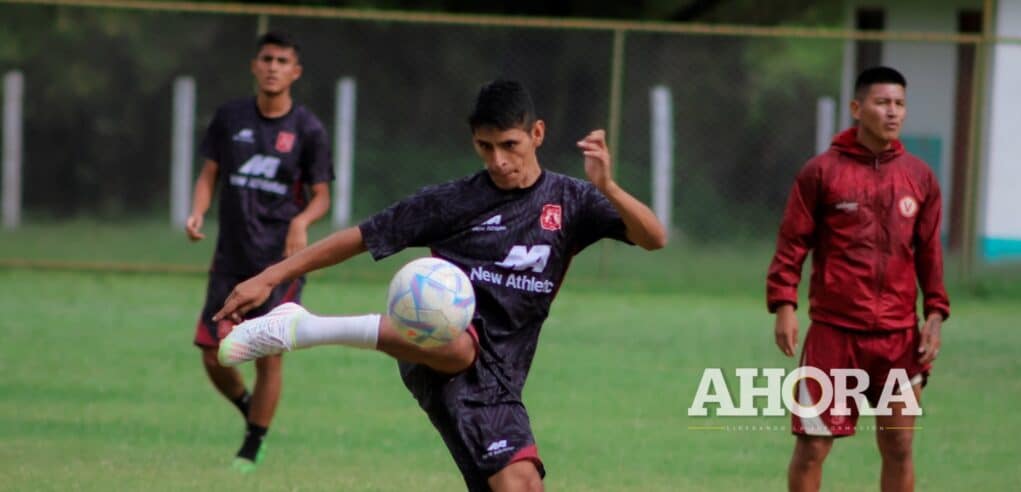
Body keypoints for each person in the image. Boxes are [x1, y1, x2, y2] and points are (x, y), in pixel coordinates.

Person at [212, 79, 667, 491]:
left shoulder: (572, 200)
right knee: (467, 362)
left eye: (509, 145)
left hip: (502, 373)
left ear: (538, 135)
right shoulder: (455, 201)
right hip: (435, 347)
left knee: (520, 484)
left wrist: (608, 186)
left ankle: (305, 327)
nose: (498, 160)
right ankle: (307, 327)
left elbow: (654, 238)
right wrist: (270, 277)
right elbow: (359, 238)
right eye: (484, 147)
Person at [766, 66, 950, 492]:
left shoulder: (920, 177)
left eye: (899, 104)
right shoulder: (821, 172)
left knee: (900, 444)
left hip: (897, 337)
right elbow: (792, 244)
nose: (893, 113)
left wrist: (936, 313)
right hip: (834, 333)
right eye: (882, 102)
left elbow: (929, 254)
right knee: (813, 445)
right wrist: (784, 306)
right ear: (856, 108)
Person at [185, 31, 333, 472]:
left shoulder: (308, 130)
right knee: (212, 353)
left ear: (295, 71)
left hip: (280, 263)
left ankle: (253, 445)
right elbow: (209, 174)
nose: (272, 66)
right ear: (254, 65)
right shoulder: (230, 118)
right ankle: (250, 409)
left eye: (282, 60)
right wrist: (197, 211)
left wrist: (301, 222)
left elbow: (322, 196)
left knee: (268, 354)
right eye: (266, 58)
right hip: (230, 258)